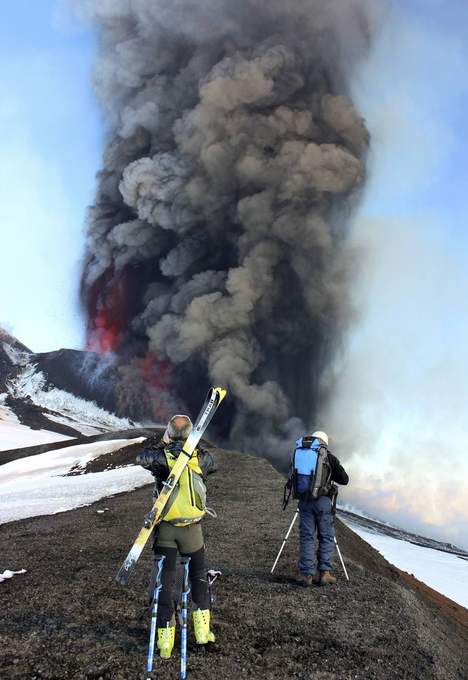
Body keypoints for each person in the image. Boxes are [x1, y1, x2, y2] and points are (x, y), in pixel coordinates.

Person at [136, 414, 216, 659]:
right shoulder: (200, 458)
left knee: (164, 585)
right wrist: (194, 446)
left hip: (167, 530)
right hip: (193, 530)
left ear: (169, 432)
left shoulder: (161, 458)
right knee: (199, 578)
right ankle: (202, 633)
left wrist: (164, 443)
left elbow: (142, 457)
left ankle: (165, 642)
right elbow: (213, 465)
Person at [286, 430, 349, 587]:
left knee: (307, 537)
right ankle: (324, 574)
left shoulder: (299, 452)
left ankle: (306, 574)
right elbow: (344, 479)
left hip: (304, 501)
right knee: (326, 537)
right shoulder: (327, 456)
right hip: (322, 502)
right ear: (325, 443)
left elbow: (293, 474)